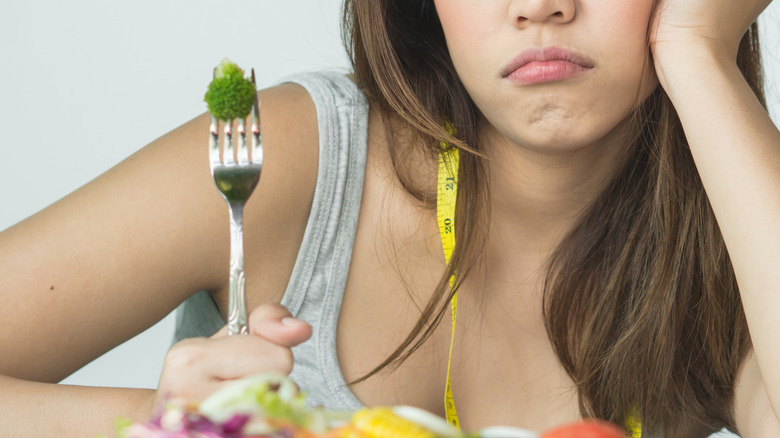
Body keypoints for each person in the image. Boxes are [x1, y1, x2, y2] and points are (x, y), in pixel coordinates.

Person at [0, 0, 778, 436]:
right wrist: (161, 424)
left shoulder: (735, 234)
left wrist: (698, 52)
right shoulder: (297, 157)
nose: (543, 5)